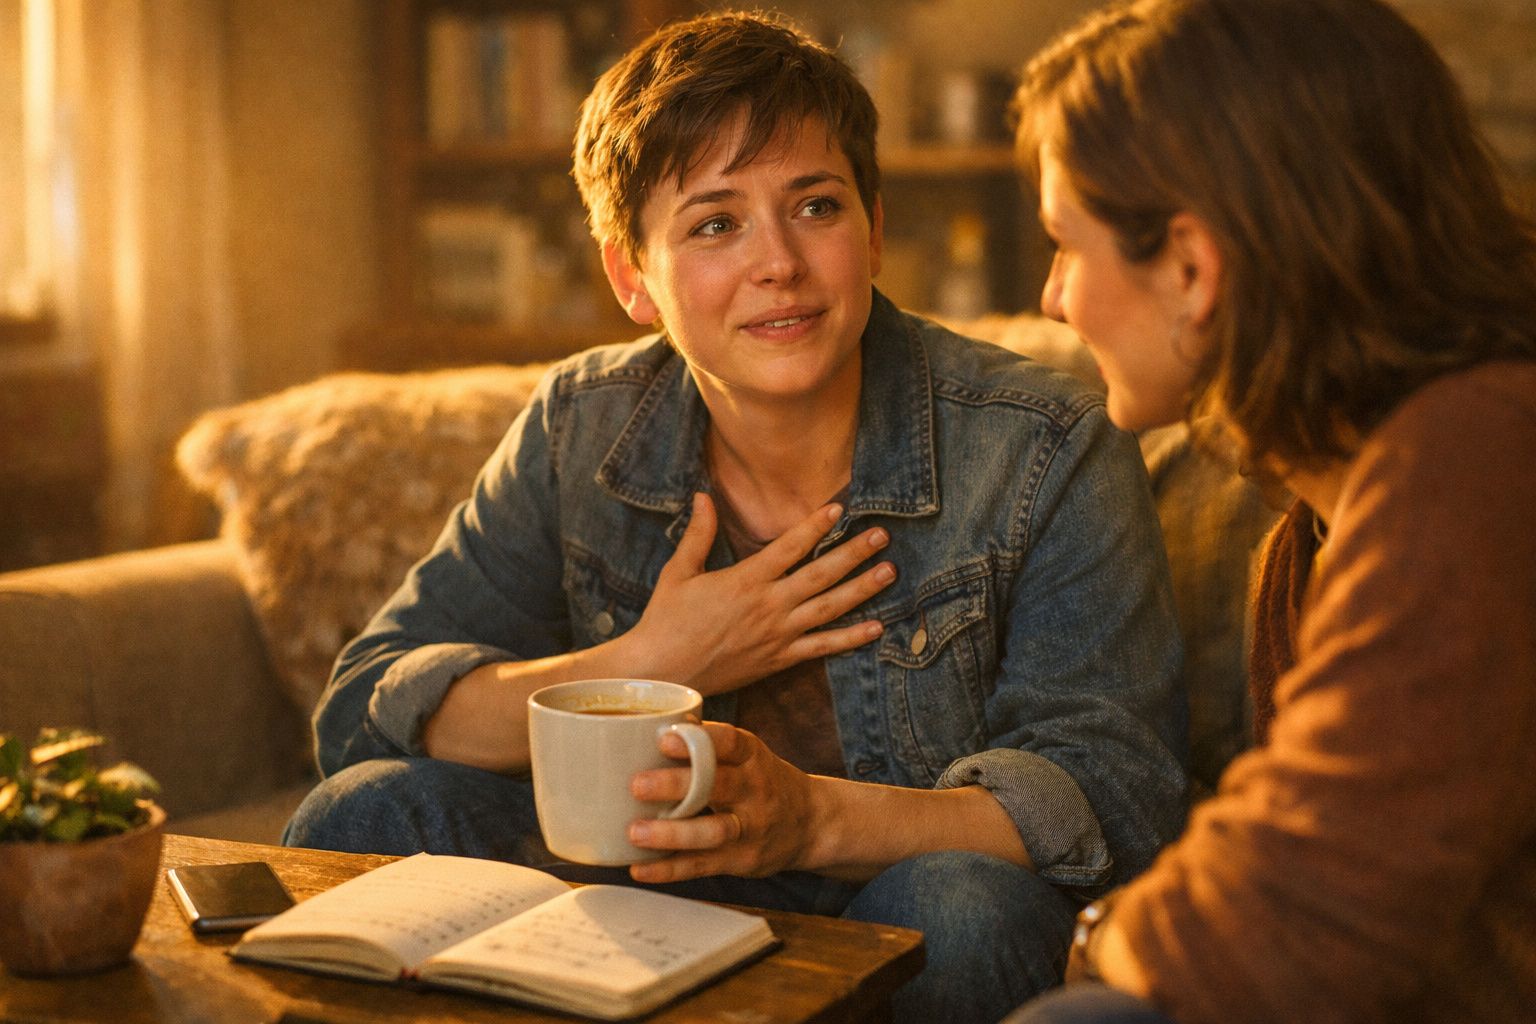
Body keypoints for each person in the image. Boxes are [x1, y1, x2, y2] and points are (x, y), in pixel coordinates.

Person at [284, 12, 1188, 1022]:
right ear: (633, 277)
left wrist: (810, 821)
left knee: (968, 909)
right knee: (362, 809)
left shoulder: (1044, 443)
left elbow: (1112, 794)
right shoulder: (580, 428)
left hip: (887, 896)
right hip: (636, 888)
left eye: (814, 206)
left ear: (875, 227)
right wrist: (646, 665)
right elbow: (366, 703)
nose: (779, 265)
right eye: (716, 223)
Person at [999, 0, 1536, 1021]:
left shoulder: (1477, 459)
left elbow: (1311, 899)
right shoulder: (1310, 527)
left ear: (1194, 268)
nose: (1055, 296)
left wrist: (1107, 938)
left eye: (1068, 243)